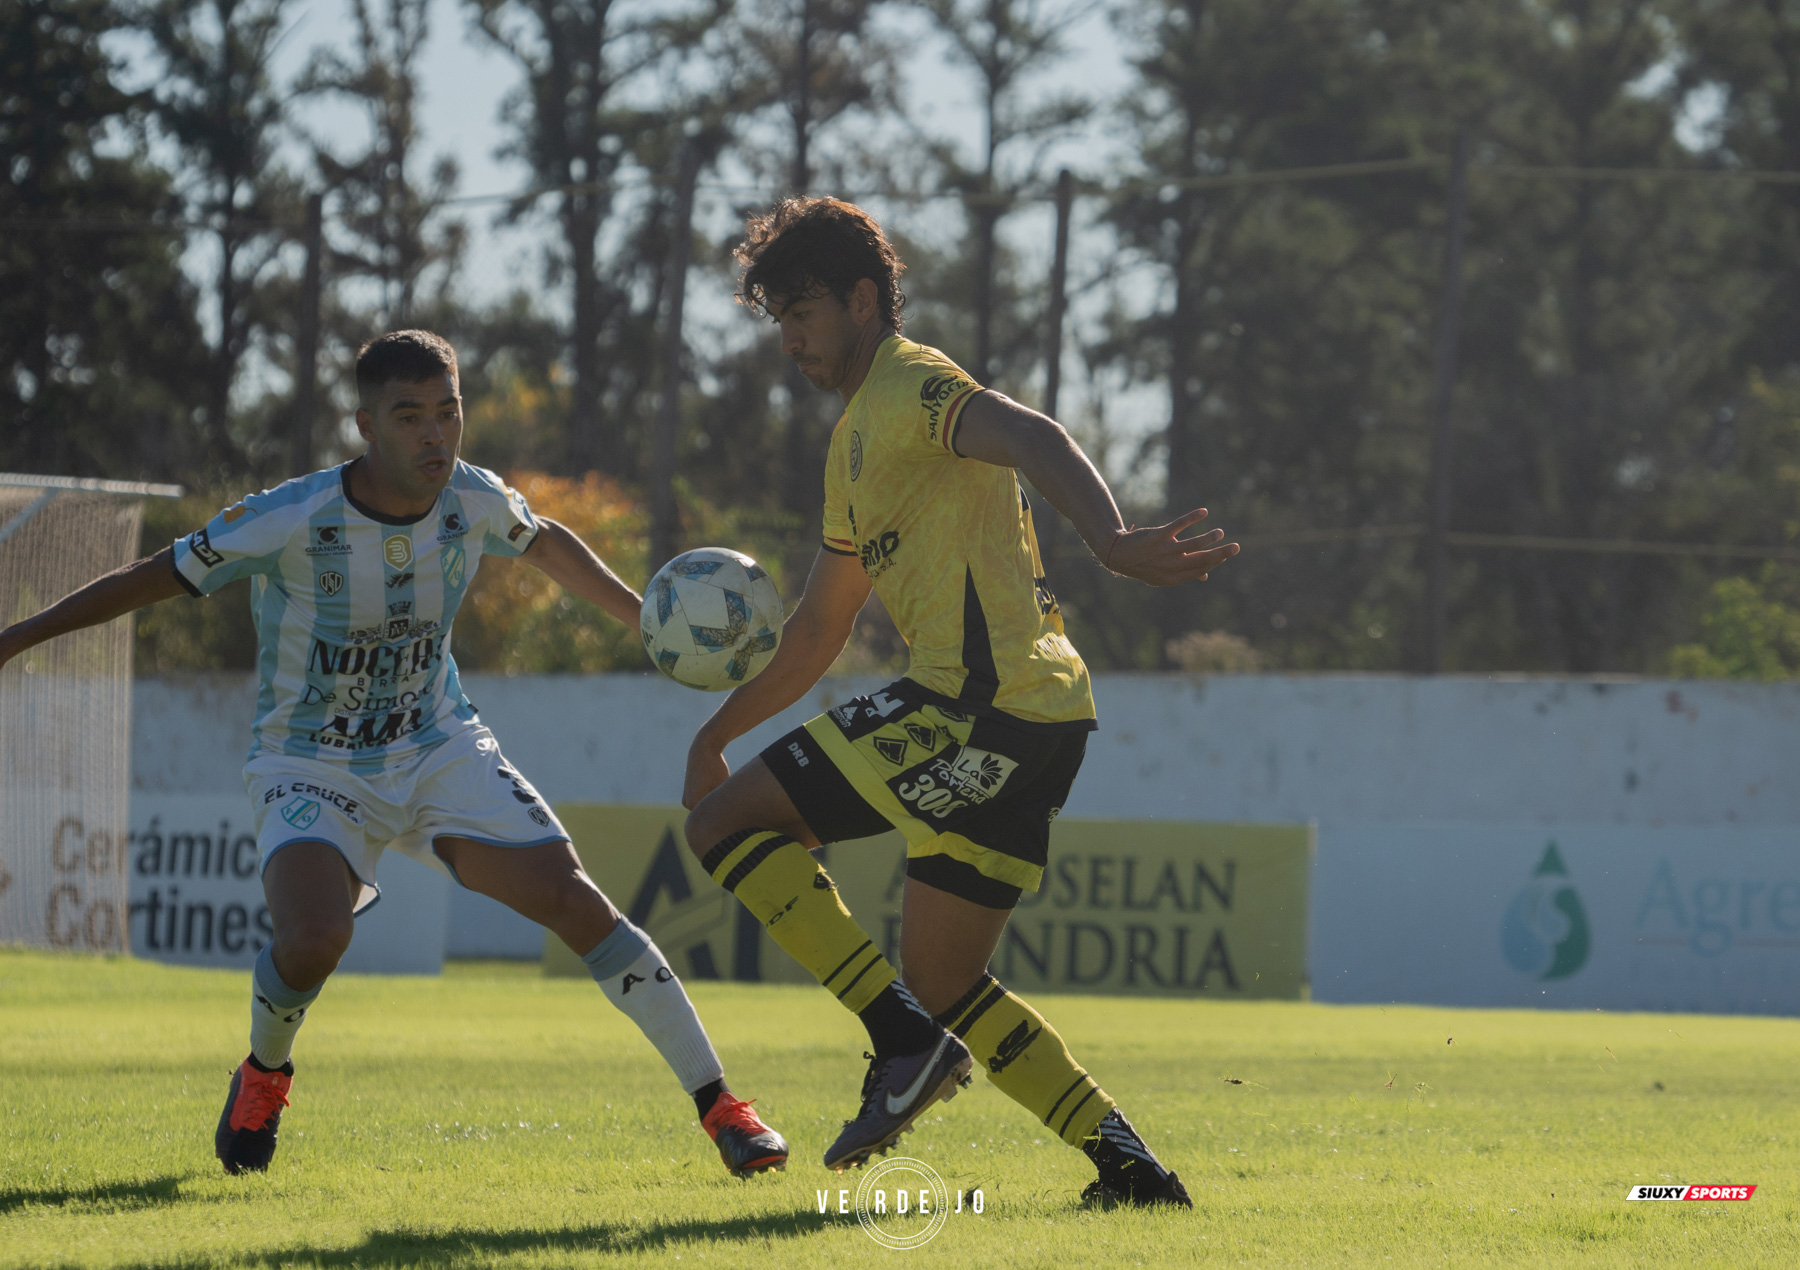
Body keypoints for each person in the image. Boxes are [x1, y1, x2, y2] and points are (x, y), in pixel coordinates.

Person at [0, 330, 787, 1180]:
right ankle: (263, 1075)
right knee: (312, 940)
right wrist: (18, 636)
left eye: (447, 413)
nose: (433, 437)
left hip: (438, 743)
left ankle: (724, 1109)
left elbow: (547, 536)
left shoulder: (473, 499)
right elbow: (155, 573)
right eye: (408, 418)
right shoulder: (291, 516)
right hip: (310, 763)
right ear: (365, 426)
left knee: (576, 902)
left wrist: (645, 622)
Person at [680, 198, 1238, 1206]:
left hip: (974, 706)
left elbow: (1031, 433)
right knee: (943, 979)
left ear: (863, 299)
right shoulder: (852, 447)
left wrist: (1110, 542)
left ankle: (901, 1040)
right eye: (779, 320)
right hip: (1043, 716)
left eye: (804, 311)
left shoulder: (913, 383)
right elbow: (818, 630)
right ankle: (1133, 1170)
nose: (793, 338)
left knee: (725, 826)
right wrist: (718, 729)